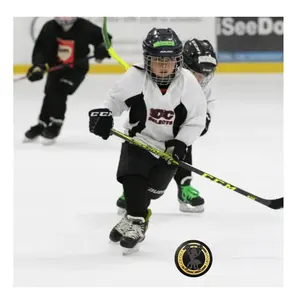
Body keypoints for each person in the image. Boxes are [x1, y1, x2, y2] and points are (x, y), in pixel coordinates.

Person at [89, 28, 207, 253]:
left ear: (178, 60)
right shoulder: (135, 77)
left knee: (151, 191)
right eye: (158, 60)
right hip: (139, 141)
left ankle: (138, 216)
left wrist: (181, 143)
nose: (164, 65)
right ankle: (136, 220)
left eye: (170, 60)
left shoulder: (188, 83)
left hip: (168, 149)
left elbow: (196, 120)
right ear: (147, 60)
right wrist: (102, 115)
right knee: (132, 178)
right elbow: (113, 102)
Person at [116, 38, 218, 214]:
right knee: (137, 158)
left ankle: (184, 187)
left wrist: (196, 126)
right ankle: (131, 191)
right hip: (147, 131)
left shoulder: (201, 89)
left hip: (174, 132)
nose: (200, 80)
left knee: (182, 145)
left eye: (205, 76)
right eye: (196, 74)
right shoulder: (164, 79)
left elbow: (200, 123)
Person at [24, 17, 112, 144]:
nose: (65, 19)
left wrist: (102, 48)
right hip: (56, 67)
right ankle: (42, 124)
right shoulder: (50, 27)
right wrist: (38, 66)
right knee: (49, 92)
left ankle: (55, 124)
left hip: (77, 68)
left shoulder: (84, 26)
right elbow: (41, 49)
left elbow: (105, 38)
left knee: (60, 90)